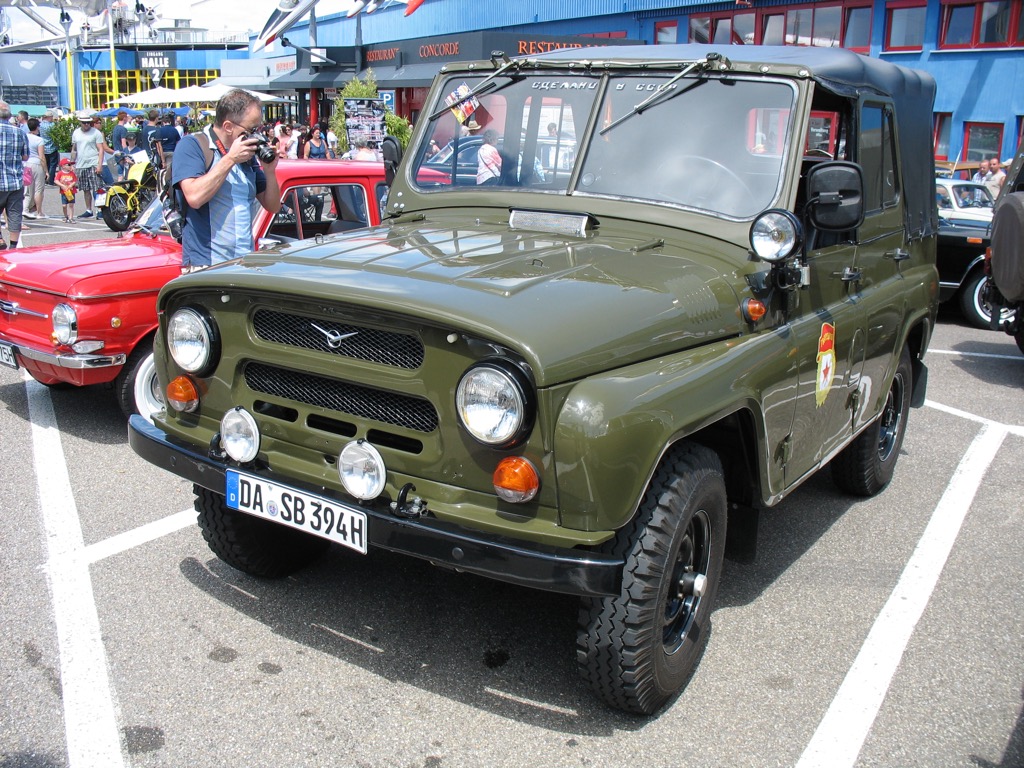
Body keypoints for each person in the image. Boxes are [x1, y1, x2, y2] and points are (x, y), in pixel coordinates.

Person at [172, 88, 281, 272]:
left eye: (258, 129)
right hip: (207, 264)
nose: (256, 135)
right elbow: (194, 197)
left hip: (243, 261)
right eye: (251, 129)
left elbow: (273, 206)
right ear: (228, 126)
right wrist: (230, 159)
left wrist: (270, 172)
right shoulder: (193, 145)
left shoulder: (247, 154)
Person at [0, 100, 28, 249]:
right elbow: (25, 157)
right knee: (15, 213)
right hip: (15, 179)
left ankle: (0, 239)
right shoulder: (19, 132)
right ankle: (13, 245)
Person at [70, 110, 106, 219]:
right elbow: (74, 149)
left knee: (97, 187)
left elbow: (101, 149)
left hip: (93, 162)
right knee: (85, 189)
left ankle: (100, 209)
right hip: (81, 164)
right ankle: (88, 209)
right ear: (80, 122)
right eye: (84, 123)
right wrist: (72, 163)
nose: (86, 124)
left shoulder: (96, 133)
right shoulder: (76, 133)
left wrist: (99, 165)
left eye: (88, 123)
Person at [22, 118, 47, 219]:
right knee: (39, 189)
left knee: (28, 189)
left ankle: (25, 208)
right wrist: (46, 170)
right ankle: (39, 212)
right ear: (37, 127)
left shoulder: (24, 136)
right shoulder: (39, 139)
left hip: (26, 163)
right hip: (37, 163)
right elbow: (42, 156)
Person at [40, 109, 59, 185]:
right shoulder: (52, 125)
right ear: (49, 117)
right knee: (52, 165)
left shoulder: (41, 125)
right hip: (52, 147)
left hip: (44, 147)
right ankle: (50, 180)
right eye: (51, 117)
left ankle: (45, 178)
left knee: (46, 164)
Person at [110, 110, 130, 180]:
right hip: (121, 153)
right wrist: (127, 153)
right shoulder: (123, 129)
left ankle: (118, 187)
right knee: (126, 173)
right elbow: (123, 143)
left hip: (116, 152)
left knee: (120, 174)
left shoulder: (115, 128)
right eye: (126, 117)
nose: (127, 119)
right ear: (124, 118)